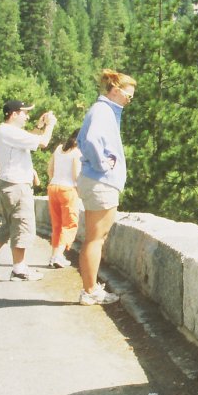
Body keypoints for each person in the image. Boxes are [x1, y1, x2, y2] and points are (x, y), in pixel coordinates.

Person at [0, 100, 57, 282]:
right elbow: (43, 142)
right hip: (16, 185)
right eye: (25, 112)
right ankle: (19, 270)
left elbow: (29, 139)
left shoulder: (7, 132)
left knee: (9, 226)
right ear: (14, 114)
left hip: (10, 183)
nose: (27, 116)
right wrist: (50, 125)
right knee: (22, 225)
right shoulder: (8, 132)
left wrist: (39, 126)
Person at [76, 69, 136, 306]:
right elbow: (90, 140)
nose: (129, 100)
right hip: (101, 182)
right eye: (128, 95)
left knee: (95, 237)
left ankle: (89, 288)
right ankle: (90, 291)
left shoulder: (101, 110)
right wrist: (102, 164)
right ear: (115, 91)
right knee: (96, 239)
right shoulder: (103, 111)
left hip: (96, 181)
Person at [47, 128, 81, 269]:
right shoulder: (77, 152)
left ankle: (54, 255)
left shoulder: (59, 148)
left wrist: (53, 180)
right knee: (70, 224)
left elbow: (50, 169)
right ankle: (58, 256)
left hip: (53, 187)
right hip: (68, 189)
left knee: (57, 224)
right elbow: (76, 175)